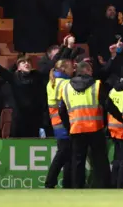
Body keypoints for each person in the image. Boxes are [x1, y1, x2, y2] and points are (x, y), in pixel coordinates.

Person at [59, 61, 123, 188]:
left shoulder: (66, 88)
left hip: (76, 129)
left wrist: (69, 127)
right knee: (100, 160)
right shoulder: (96, 85)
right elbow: (109, 105)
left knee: (78, 161)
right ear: (88, 71)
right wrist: (121, 119)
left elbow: (61, 111)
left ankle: (77, 187)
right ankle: (105, 186)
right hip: (95, 127)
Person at [44, 59, 75, 189]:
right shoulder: (65, 83)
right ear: (63, 69)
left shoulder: (52, 81)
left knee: (67, 154)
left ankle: (67, 183)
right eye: (71, 67)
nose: (73, 70)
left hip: (56, 122)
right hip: (65, 122)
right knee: (63, 152)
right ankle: (50, 182)